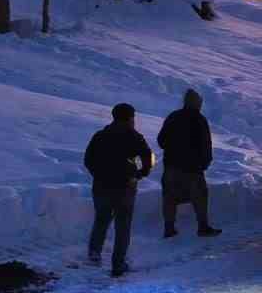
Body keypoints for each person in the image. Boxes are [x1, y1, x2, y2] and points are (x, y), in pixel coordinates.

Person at [84, 102, 152, 276]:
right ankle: (118, 263)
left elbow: (88, 159)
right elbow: (148, 157)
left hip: (101, 185)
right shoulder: (134, 137)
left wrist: (98, 174)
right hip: (125, 186)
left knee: (101, 219)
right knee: (123, 225)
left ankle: (94, 254)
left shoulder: (100, 136)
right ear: (130, 118)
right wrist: (141, 173)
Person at [157, 88, 221, 239]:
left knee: (169, 198)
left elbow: (161, 141)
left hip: (171, 166)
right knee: (200, 197)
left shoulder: (173, 116)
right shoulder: (199, 120)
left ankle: (169, 229)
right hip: (193, 169)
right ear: (197, 103)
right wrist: (204, 164)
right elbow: (206, 145)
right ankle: (203, 227)